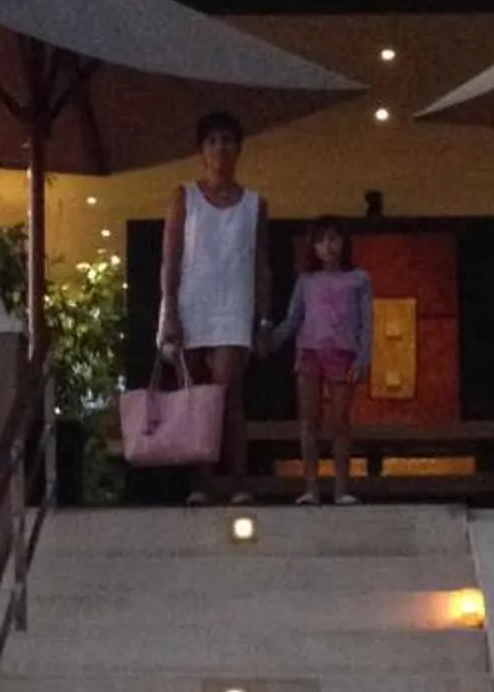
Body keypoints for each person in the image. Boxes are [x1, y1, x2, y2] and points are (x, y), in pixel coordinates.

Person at [157, 111, 268, 502]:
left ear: (239, 149)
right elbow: (171, 256)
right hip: (191, 303)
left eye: (227, 140)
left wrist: (264, 320)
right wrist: (170, 308)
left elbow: (261, 264)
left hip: (234, 305)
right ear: (201, 151)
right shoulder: (184, 196)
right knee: (195, 395)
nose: (221, 147)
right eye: (213, 141)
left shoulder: (255, 203)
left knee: (227, 392)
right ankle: (200, 483)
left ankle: (238, 482)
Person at [264, 216, 373, 505]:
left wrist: (362, 359)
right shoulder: (306, 281)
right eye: (321, 240)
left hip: (343, 352)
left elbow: (366, 323)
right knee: (309, 420)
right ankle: (311, 488)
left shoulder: (359, 279)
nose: (328, 246)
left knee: (340, 420)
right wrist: (270, 341)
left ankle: (341, 489)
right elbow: (292, 319)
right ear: (313, 246)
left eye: (333, 239)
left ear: (344, 242)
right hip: (309, 351)